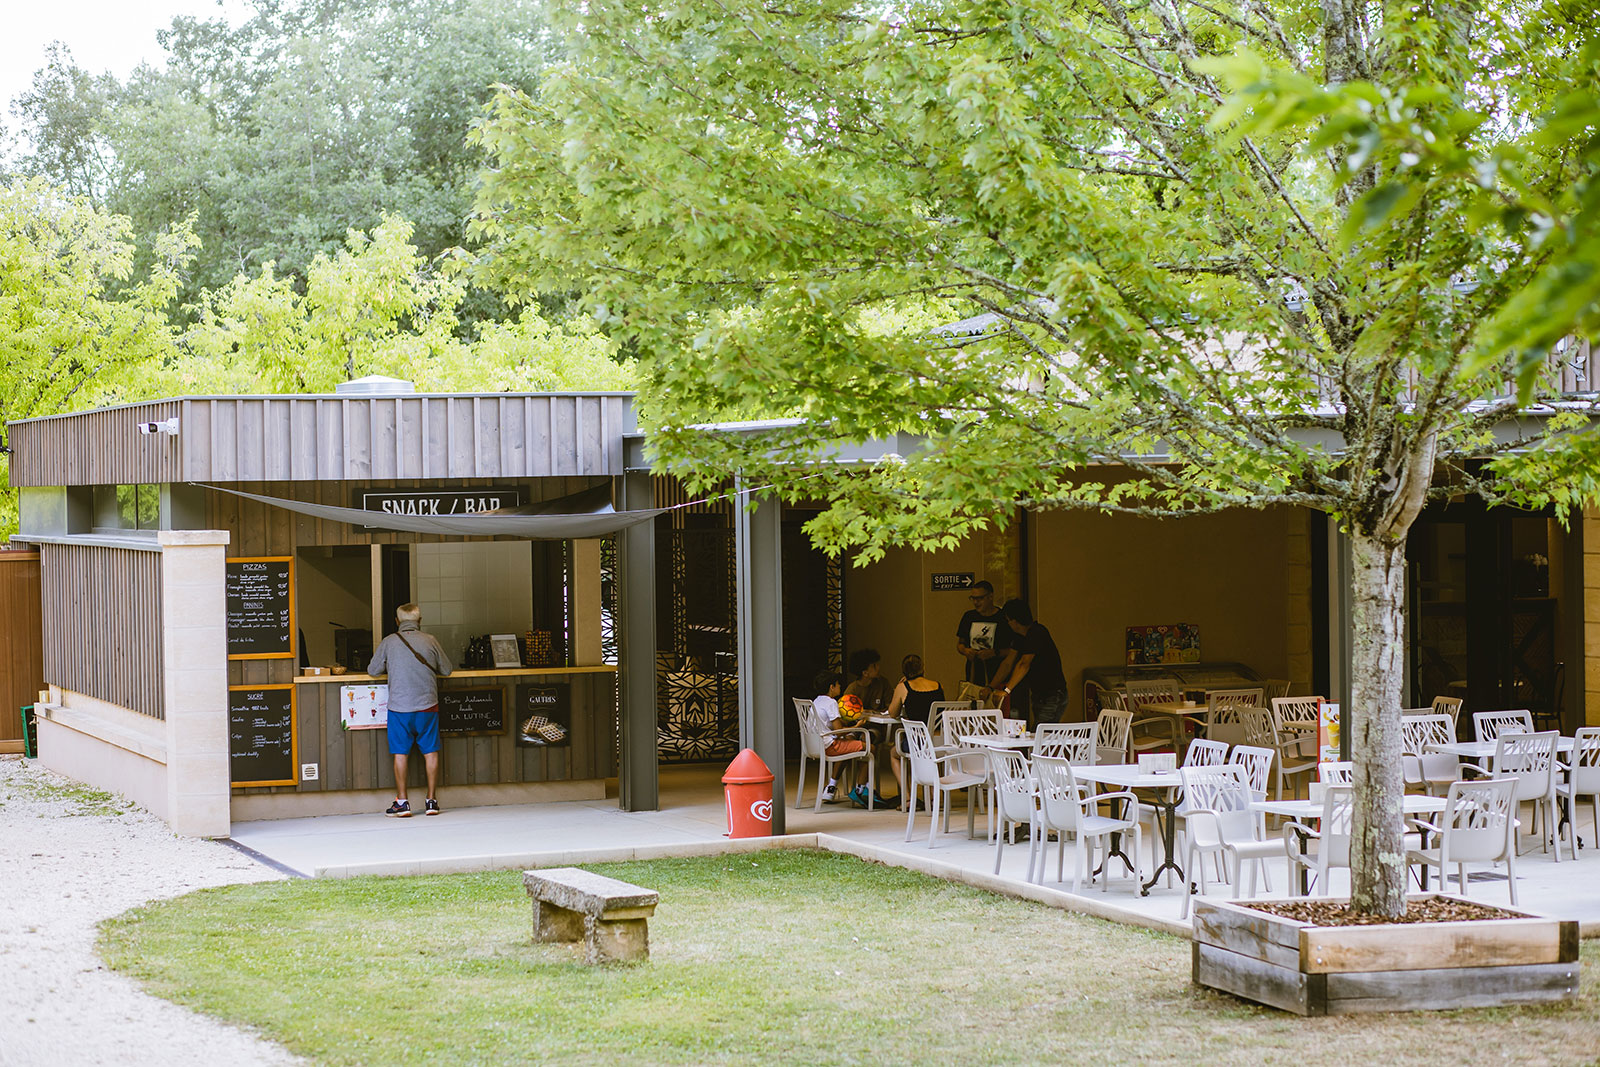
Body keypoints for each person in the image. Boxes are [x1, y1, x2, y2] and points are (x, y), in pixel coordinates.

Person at [367, 602, 453, 817]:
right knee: (430, 751)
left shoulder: (389, 642)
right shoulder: (430, 640)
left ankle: (402, 802)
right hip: (427, 706)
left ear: (397, 621)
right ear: (419, 621)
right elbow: (447, 670)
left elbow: (373, 670)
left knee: (400, 753)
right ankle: (431, 801)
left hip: (399, 707)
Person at [995, 599, 1067, 727]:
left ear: (1014, 621)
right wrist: (991, 686)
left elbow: (1024, 664)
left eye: (1008, 620)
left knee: (1041, 731)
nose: (1008, 624)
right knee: (1039, 731)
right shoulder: (1019, 637)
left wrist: (1006, 690)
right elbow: (1007, 663)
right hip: (1038, 694)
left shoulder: (1037, 632)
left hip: (1053, 694)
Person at [884, 653, 945, 807]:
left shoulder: (903, 687)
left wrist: (898, 688)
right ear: (922, 668)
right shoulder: (938, 685)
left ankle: (908, 798)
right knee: (932, 755)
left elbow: (893, 713)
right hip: (940, 741)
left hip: (918, 742)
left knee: (894, 754)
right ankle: (935, 797)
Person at [810, 670, 866, 803]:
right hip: (829, 747)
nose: (840, 686)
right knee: (870, 748)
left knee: (848, 744)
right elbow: (839, 731)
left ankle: (831, 787)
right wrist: (857, 726)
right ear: (832, 687)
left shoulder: (816, 701)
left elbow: (833, 724)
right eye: (838, 684)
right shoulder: (831, 702)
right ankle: (861, 790)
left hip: (814, 745)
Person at [955, 581, 1016, 690]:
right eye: (973, 598)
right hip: (974, 675)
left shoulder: (1003, 618)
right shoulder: (969, 617)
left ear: (990, 597)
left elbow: (1014, 650)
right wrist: (965, 651)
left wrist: (994, 653)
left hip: (999, 676)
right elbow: (960, 644)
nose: (976, 602)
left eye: (980, 598)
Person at [844, 648, 893, 713]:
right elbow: (848, 712)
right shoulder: (852, 690)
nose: (878, 668)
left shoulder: (883, 682)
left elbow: (891, 705)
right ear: (865, 673)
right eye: (874, 666)